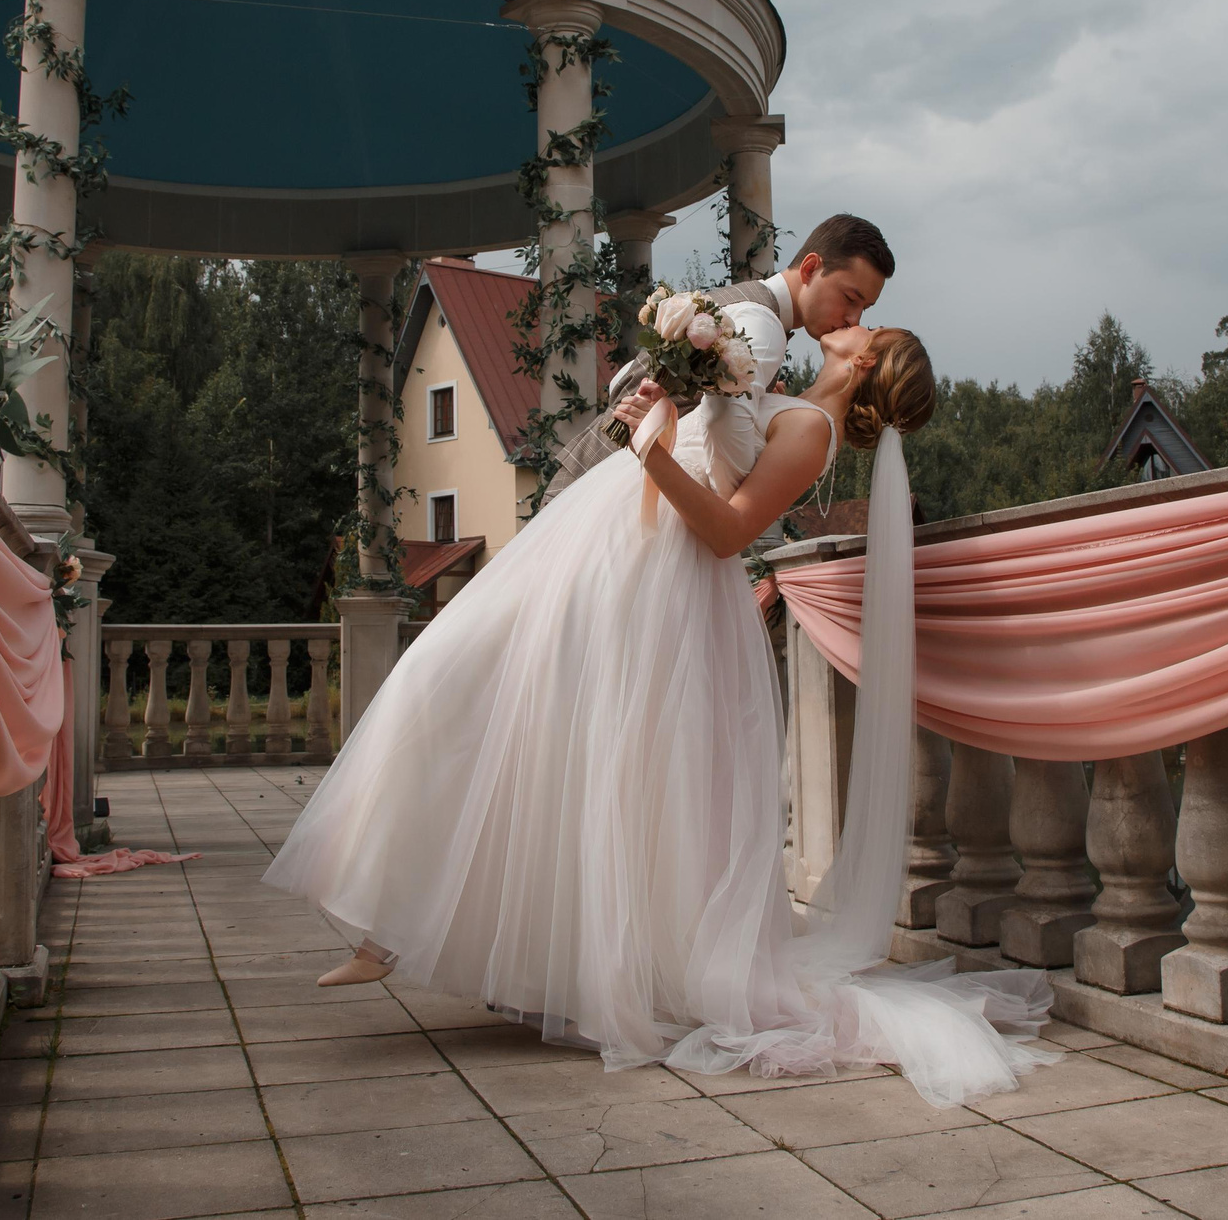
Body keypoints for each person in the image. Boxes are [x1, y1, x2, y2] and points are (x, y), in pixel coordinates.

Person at [262, 290, 1060, 1107]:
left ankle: (410, 931)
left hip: (664, 584)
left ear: (865, 361)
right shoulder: (779, 392)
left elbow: (726, 531)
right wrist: (663, 410)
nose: (852, 320)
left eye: (869, 325)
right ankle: (394, 918)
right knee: (473, 694)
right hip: (608, 541)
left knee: (574, 752)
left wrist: (654, 453)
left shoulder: (812, 433)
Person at [539, 214, 894, 501]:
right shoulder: (764, 325)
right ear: (810, 268)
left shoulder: (742, 301)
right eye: (851, 298)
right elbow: (724, 445)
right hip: (602, 492)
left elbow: (625, 379)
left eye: (864, 307)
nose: (854, 319)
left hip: (591, 475)